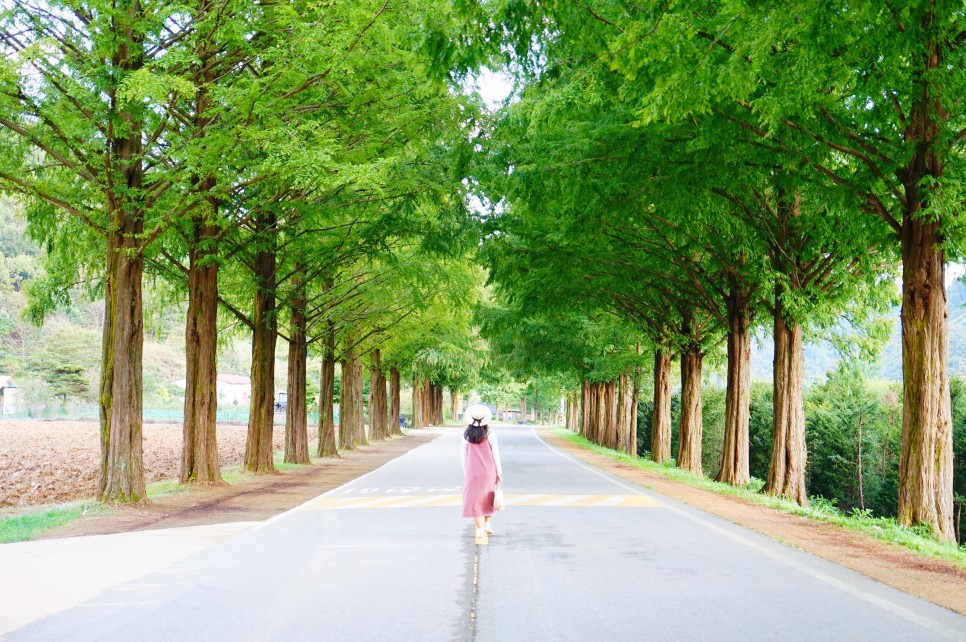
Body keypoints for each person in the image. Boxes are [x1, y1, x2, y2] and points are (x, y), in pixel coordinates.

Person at [460, 404, 502, 539]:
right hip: (488, 472)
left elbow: (464, 457)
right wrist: (499, 472)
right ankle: (487, 524)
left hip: (473, 472)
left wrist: (466, 473)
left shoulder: (466, 435)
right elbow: (496, 455)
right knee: (488, 497)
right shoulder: (490, 434)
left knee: (475, 500)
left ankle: (479, 529)